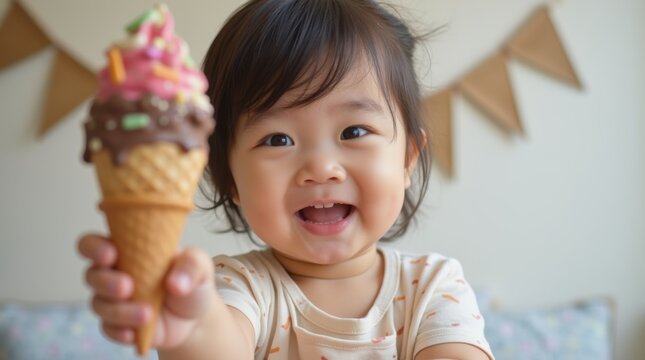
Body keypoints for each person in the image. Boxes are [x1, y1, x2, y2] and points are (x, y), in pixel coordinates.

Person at [77, 1, 494, 359]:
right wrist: (189, 326)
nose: (321, 167)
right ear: (231, 180)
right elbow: (215, 340)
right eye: (277, 139)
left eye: (353, 131)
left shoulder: (433, 287)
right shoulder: (240, 289)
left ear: (407, 159)